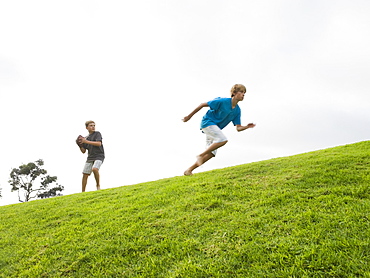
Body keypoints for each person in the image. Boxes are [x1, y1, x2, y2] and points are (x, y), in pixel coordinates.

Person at [182, 84, 256, 176]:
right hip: (207, 123)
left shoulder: (237, 110)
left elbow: (238, 128)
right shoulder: (222, 101)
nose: (243, 94)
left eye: (244, 93)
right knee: (223, 140)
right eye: (241, 92)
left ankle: (189, 170)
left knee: (211, 153)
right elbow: (202, 105)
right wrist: (189, 117)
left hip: (214, 128)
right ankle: (200, 155)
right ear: (234, 93)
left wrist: (246, 126)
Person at [79, 120, 105, 192]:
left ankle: (98, 185)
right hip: (90, 157)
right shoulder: (85, 138)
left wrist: (86, 142)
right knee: (85, 174)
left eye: (94, 125)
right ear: (87, 127)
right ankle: (83, 192)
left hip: (99, 155)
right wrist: (80, 145)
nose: (93, 127)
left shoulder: (97, 134)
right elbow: (83, 151)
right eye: (91, 125)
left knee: (95, 169)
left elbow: (99, 143)